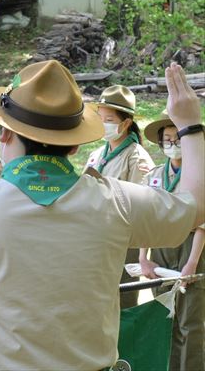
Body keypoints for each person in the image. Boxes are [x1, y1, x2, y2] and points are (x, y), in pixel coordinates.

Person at [0, 61, 204, 370]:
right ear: (72, 147)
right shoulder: (117, 202)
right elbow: (194, 208)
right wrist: (189, 126)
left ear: (5, 134)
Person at [139, 111, 204, 371]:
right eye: (167, 139)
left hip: (192, 249)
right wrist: (144, 258)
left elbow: (202, 225)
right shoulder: (153, 176)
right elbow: (143, 218)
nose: (173, 144)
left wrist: (192, 264)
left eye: (178, 138)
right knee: (165, 318)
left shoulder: (198, 176)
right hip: (161, 250)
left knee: (190, 323)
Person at [84, 84, 156, 309]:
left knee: (122, 304)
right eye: (100, 118)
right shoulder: (97, 154)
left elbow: (141, 205)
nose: (102, 124)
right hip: (94, 239)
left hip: (122, 243)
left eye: (109, 120)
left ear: (125, 123)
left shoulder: (137, 158)